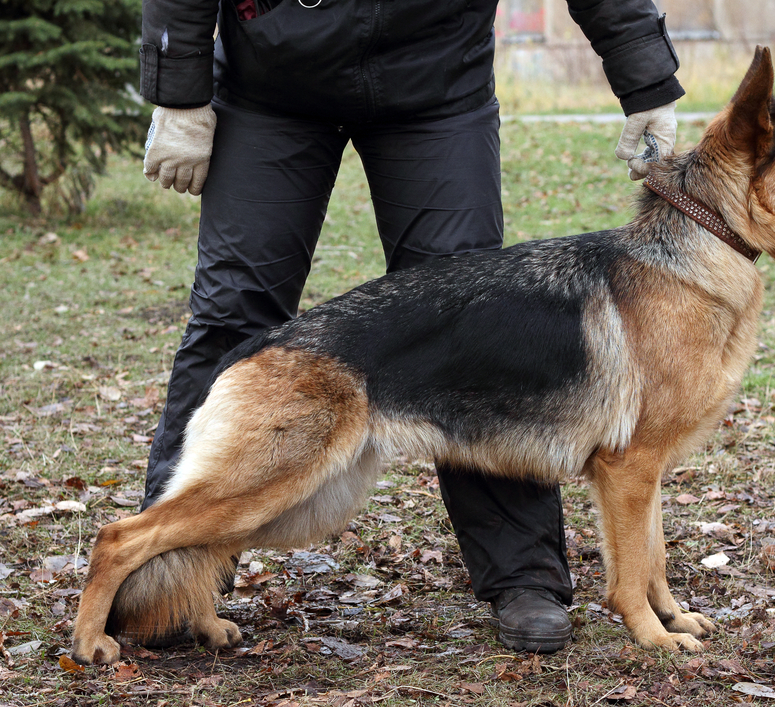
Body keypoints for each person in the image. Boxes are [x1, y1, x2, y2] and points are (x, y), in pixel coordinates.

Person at [138, 0, 685, 654]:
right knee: (233, 313)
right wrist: (179, 93)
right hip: (271, 83)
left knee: (481, 329)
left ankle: (524, 575)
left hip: (436, 82)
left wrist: (645, 80)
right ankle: (162, 572)